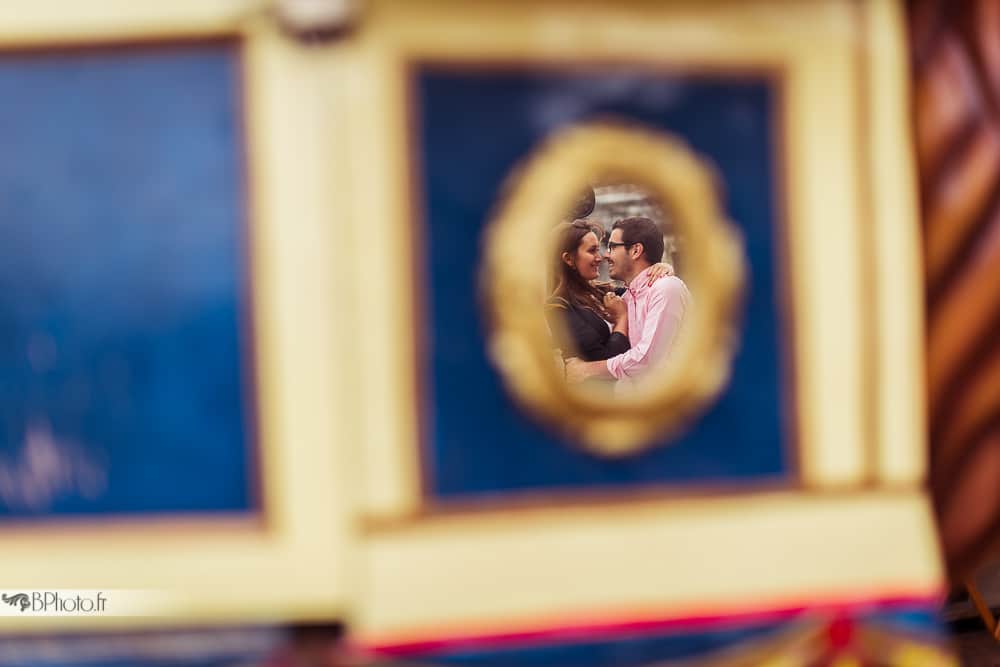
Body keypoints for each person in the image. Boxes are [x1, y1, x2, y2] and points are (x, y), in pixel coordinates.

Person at [564, 216, 690, 389]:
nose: (605, 255)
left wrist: (586, 370)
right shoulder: (625, 299)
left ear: (636, 250)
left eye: (612, 247)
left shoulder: (666, 288)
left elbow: (646, 359)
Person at [546, 219, 674, 367]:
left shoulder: (604, 292)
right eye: (592, 250)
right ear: (568, 259)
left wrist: (660, 268)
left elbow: (640, 292)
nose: (600, 257)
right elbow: (603, 361)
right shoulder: (558, 308)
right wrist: (622, 319)